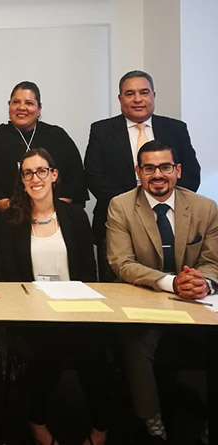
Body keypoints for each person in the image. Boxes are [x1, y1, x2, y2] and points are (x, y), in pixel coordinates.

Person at [106, 140, 217, 443]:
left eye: (165, 167)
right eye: (149, 168)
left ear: (178, 170)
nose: (158, 175)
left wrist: (203, 282)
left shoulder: (204, 207)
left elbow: (212, 262)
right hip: (145, 297)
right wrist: (171, 283)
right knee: (135, 342)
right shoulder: (121, 206)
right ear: (138, 172)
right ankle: (152, 421)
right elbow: (122, 263)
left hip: (196, 299)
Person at [0, 149, 111, 445]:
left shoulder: (75, 216)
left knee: (96, 351)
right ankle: (37, 422)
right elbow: (9, 277)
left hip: (77, 309)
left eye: (41, 171)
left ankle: (100, 428)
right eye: (28, 173)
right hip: (32, 312)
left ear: (54, 175)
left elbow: (88, 271)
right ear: (22, 180)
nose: (35, 178)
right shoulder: (12, 221)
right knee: (51, 347)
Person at [85, 70, 201, 282]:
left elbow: (191, 174)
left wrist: (161, 202)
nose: (137, 99)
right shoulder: (102, 130)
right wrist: (133, 206)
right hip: (117, 222)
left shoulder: (175, 128)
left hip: (171, 219)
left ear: (153, 96)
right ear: (120, 99)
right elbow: (94, 176)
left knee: (177, 283)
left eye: (144, 92)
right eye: (130, 93)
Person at [0, 81, 87, 233]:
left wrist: (48, 212)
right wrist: (17, 211)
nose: (21, 107)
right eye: (16, 102)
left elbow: (74, 183)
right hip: (5, 224)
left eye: (29, 103)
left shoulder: (58, 137)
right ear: (9, 106)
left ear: (39, 109)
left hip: (55, 223)